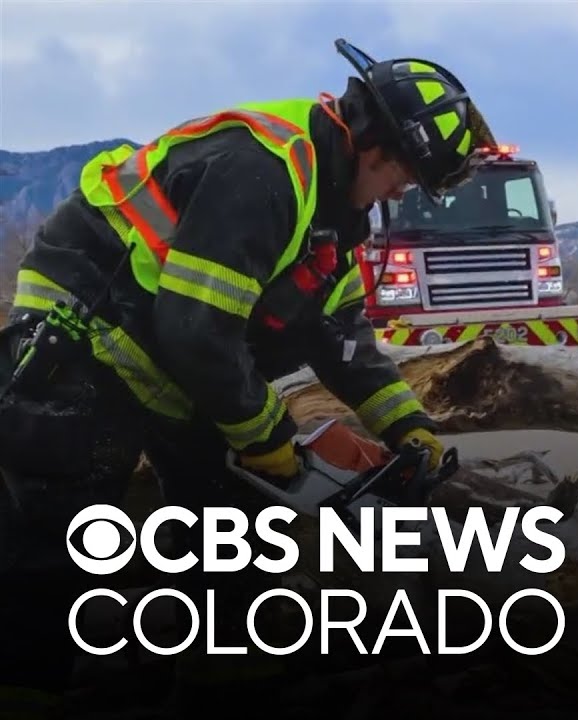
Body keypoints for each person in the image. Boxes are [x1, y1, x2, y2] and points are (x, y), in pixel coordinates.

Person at [0, 39, 497, 714]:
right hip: (87, 328)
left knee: (226, 520)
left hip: (165, 355)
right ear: (376, 148)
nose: (400, 193)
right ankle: (27, 686)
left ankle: (202, 673)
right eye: (405, 177)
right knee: (64, 528)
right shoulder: (267, 170)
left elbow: (343, 337)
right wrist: (269, 435)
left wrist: (410, 427)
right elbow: (197, 330)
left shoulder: (330, 211)